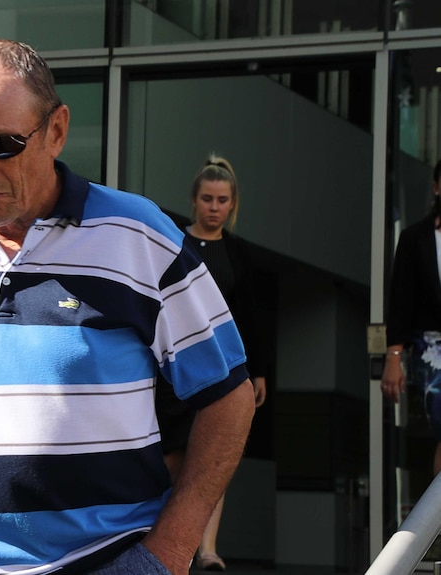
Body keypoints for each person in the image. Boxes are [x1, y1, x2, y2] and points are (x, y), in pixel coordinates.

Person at [0, 38, 255, 575]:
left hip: (103, 562)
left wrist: (170, 551)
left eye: (1, 145)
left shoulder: (138, 237)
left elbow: (228, 397)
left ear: (57, 131)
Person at [156, 156, 269, 571]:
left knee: (210, 459)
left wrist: (257, 371)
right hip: (175, 370)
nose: (214, 207)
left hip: (220, 371)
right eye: (207, 199)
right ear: (194, 200)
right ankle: (168, 542)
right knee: (171, 460)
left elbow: (250, 317)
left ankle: (207, 550)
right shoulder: (176, 243)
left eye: (222, 200)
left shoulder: (238, 253)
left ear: (232, 204)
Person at [382, 158, 441, 478]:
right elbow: (401, 300)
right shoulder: (414, 238)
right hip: (431, 350)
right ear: (436, 187)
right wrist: (394, 356)